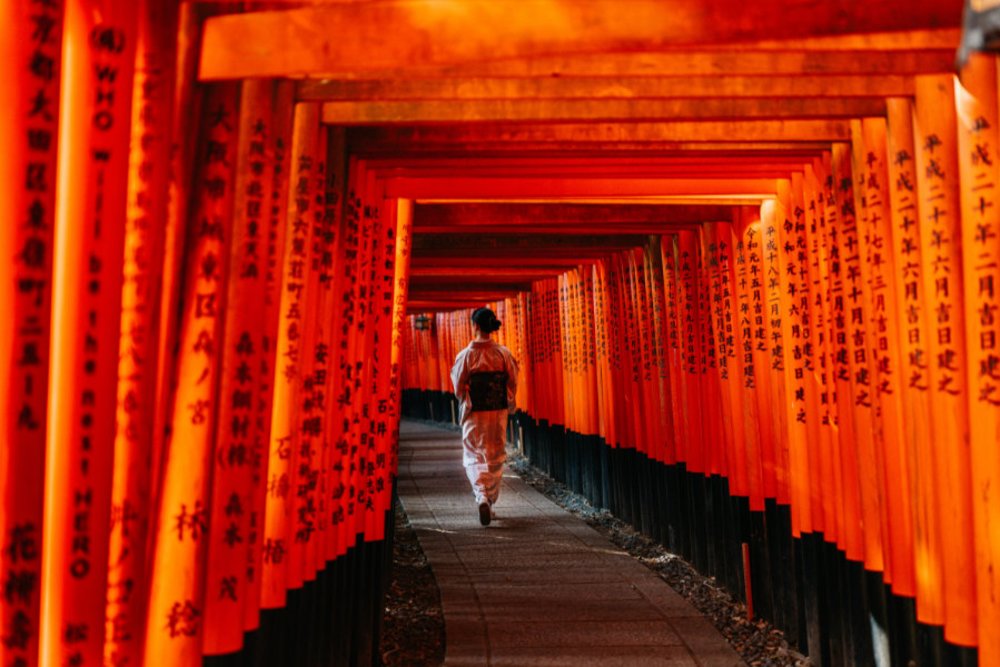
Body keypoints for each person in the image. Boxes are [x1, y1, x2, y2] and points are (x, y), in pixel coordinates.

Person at [450, 307, 519, 526]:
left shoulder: (466, 355)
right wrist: (506, 397)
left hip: (475, 411)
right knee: (495, 453)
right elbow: (512, 381)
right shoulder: (503, 353)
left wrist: (466, 395)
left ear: (475, 326)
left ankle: (481, 495)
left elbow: (458, 386)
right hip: (496, 410)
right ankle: (489, 498)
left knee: (473, 454)